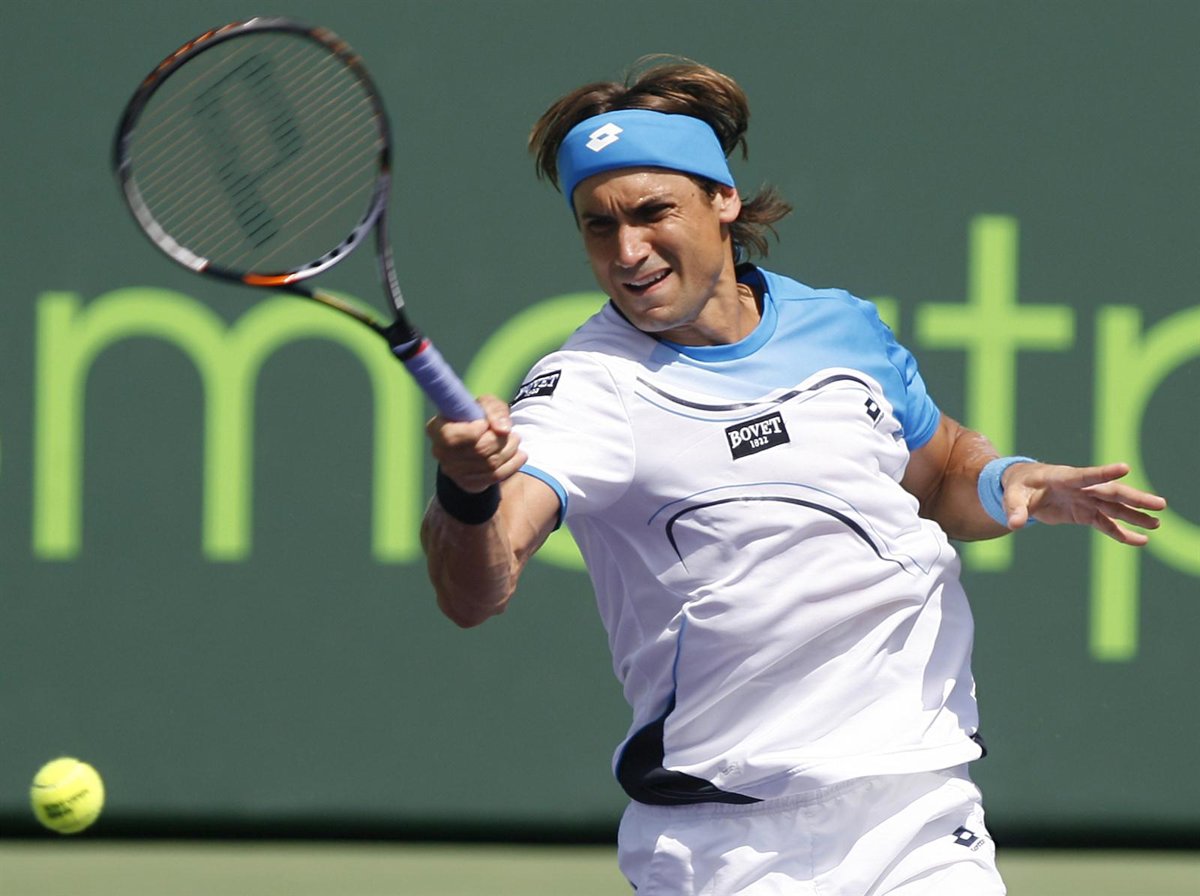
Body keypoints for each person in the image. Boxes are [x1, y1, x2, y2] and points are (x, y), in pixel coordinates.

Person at [420, 59, 1166, 895]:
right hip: (728, 847)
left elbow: (939, 473)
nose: (628, 252)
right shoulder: (589, 387)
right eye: (599, 227)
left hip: (917, 812)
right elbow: (476, 589)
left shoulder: (840, 326)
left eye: (653, 212)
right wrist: (467, 490)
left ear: (722, 200)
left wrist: (1009, 480)